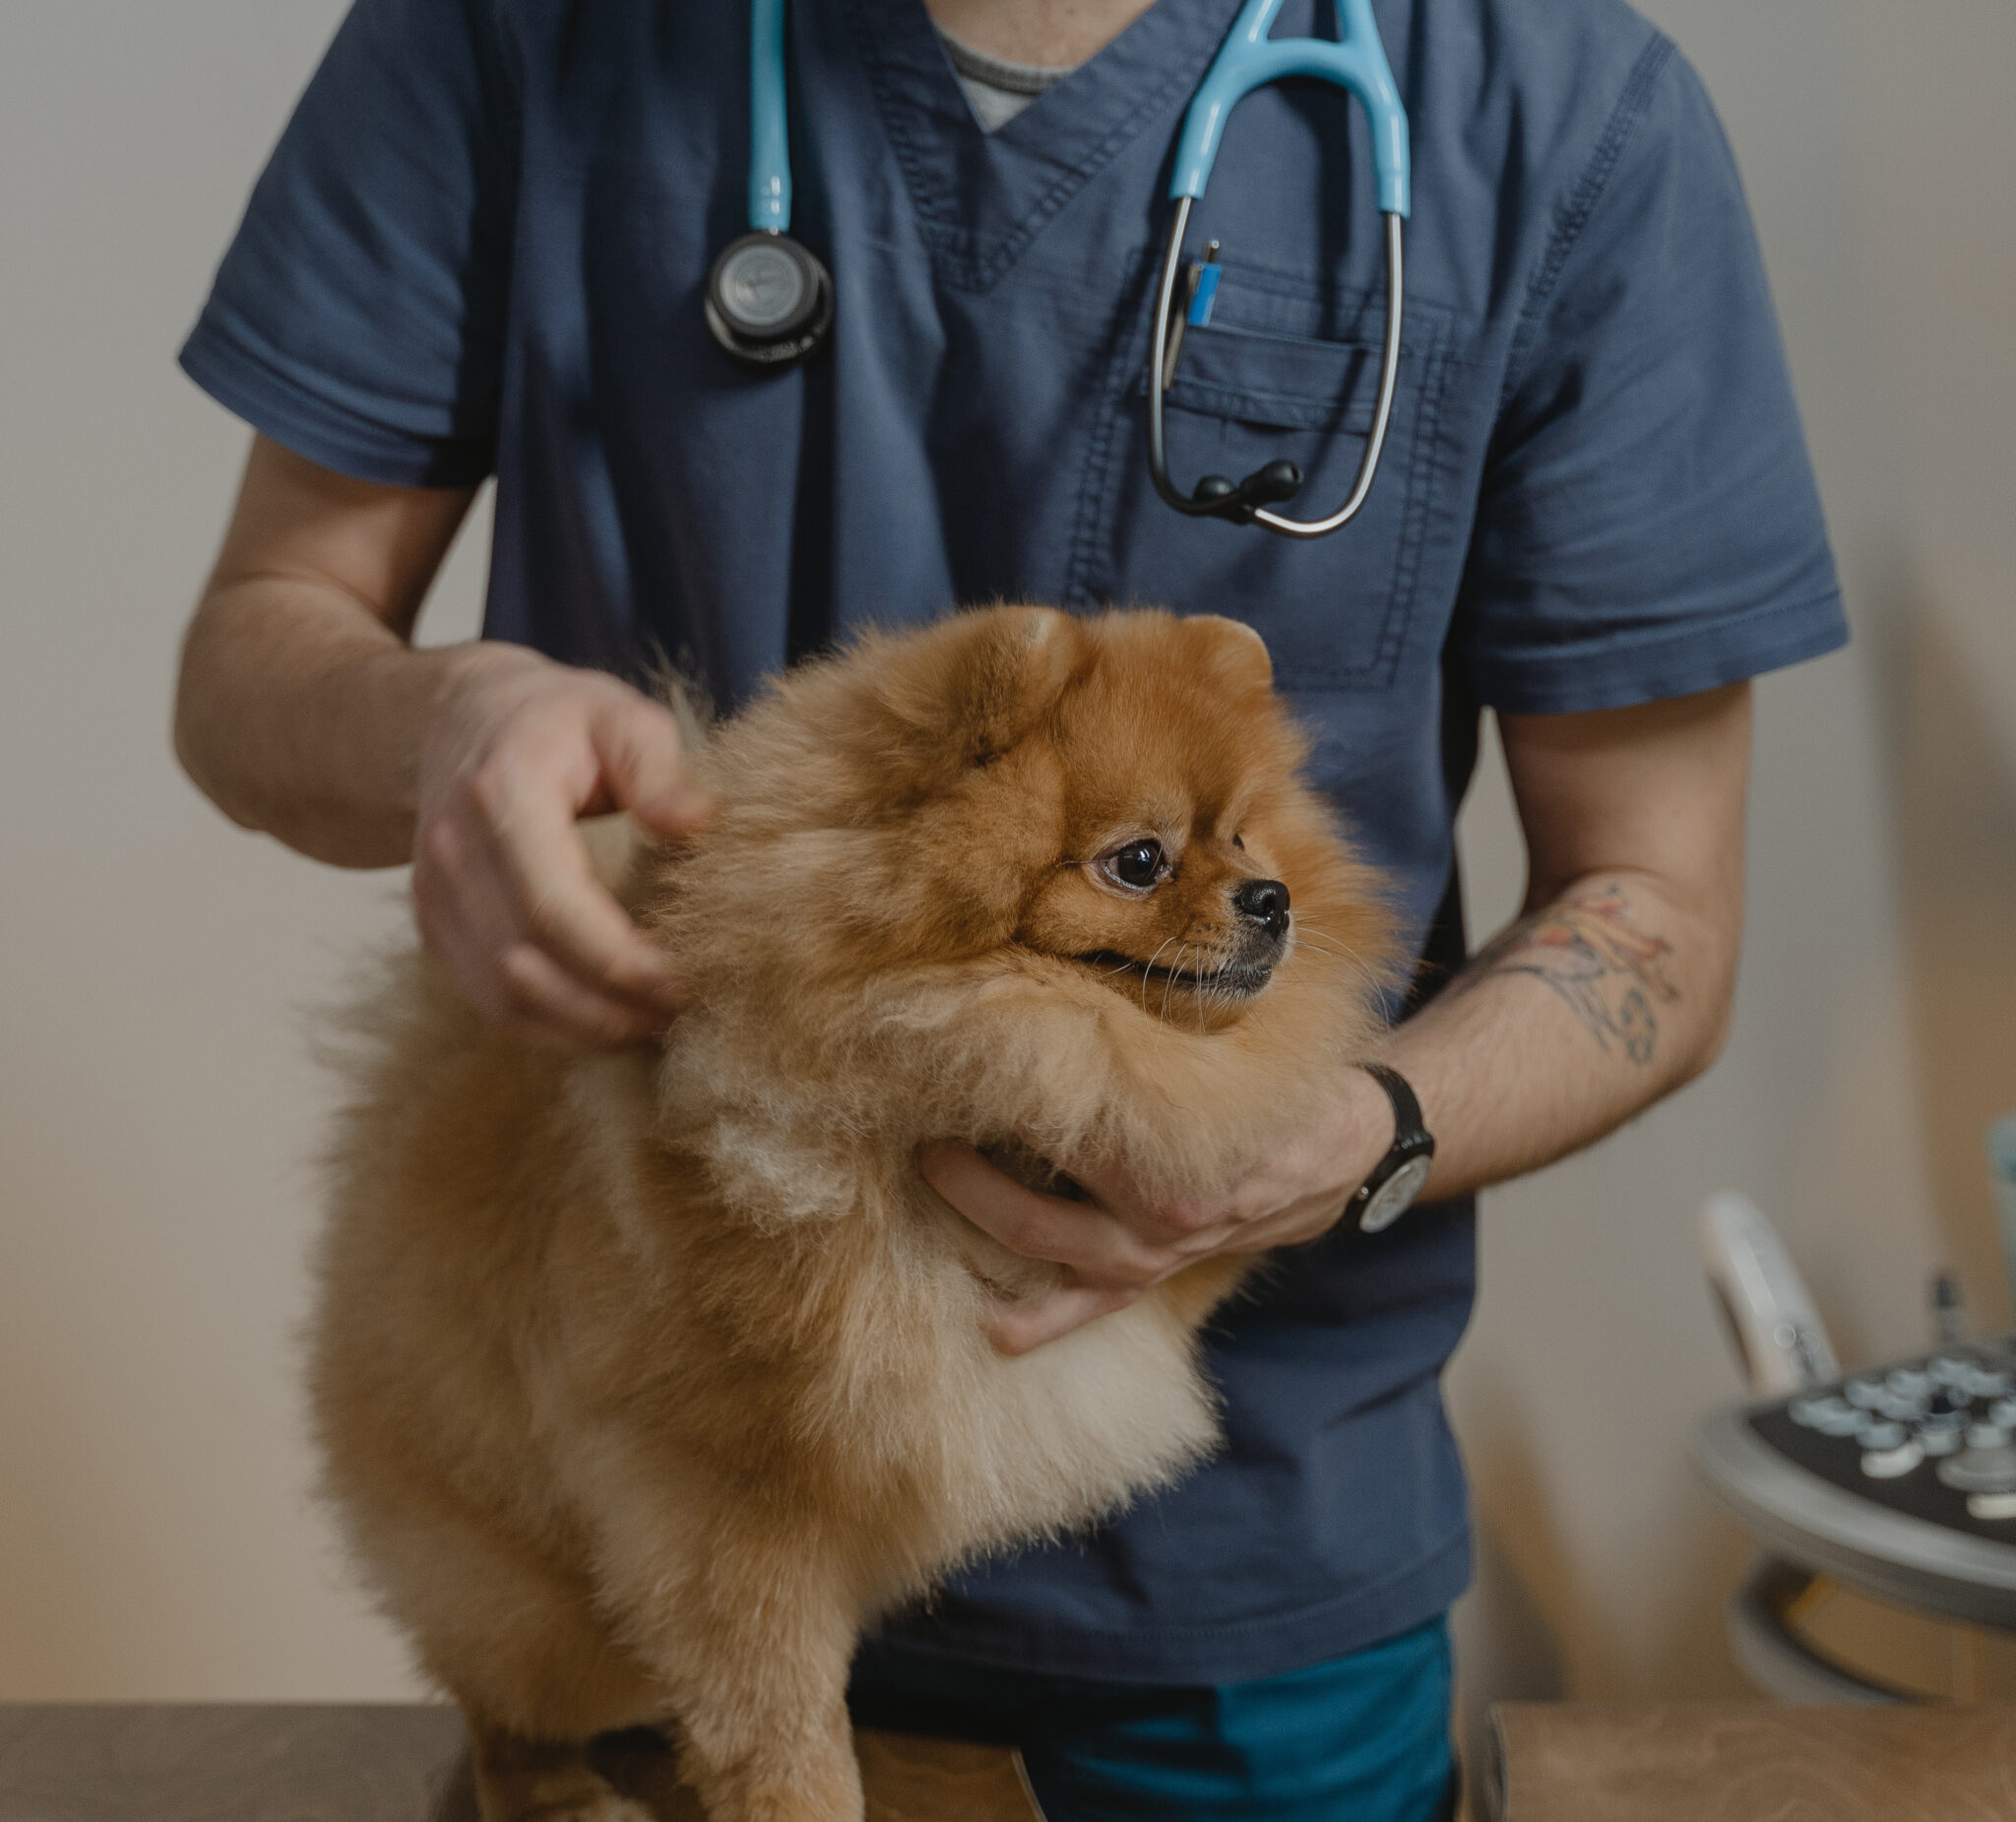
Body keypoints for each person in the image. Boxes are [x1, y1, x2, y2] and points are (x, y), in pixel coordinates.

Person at [172, 0, 1847, 1815]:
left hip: (1226, 1601)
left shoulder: (1549, 108)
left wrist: (1334, 1139)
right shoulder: (511, 33)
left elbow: (1655, 908)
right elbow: (255, 650)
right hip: (624, 1499)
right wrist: (446, 725)